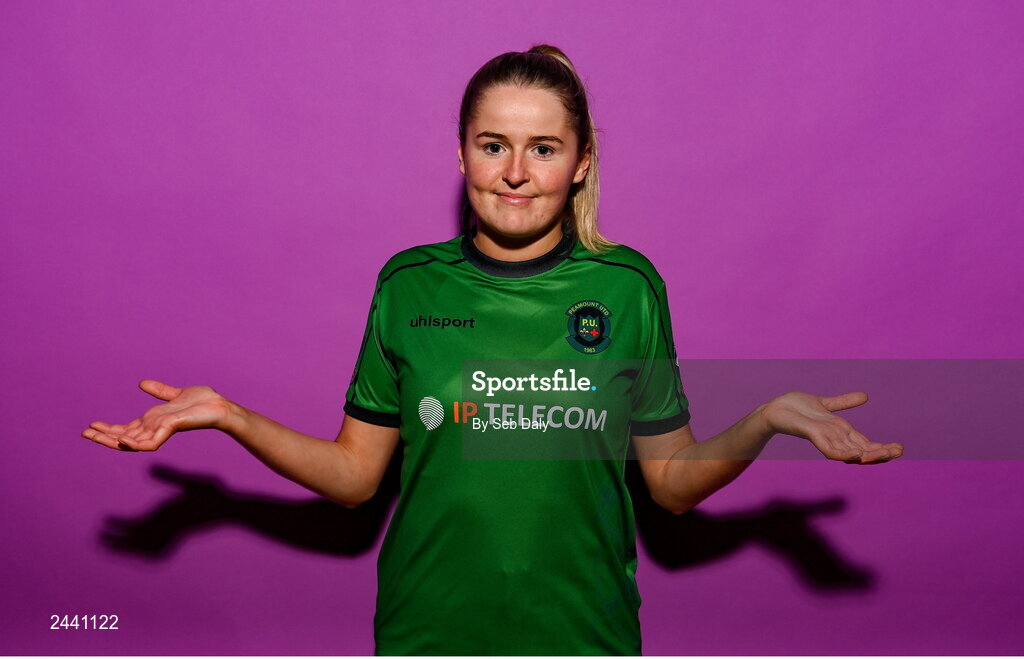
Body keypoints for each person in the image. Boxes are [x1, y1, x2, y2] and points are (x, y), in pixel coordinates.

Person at [83, 45, 904, 655]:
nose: (515, 171)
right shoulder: (409, 285)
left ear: (579, 163)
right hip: (427, 633)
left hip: (583, 636)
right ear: (461, 153)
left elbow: (672, 484)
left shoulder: (628, 288)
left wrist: (764, 420)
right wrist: (231, 416)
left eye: (543, 148)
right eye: (492, 144)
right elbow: (355, 475)